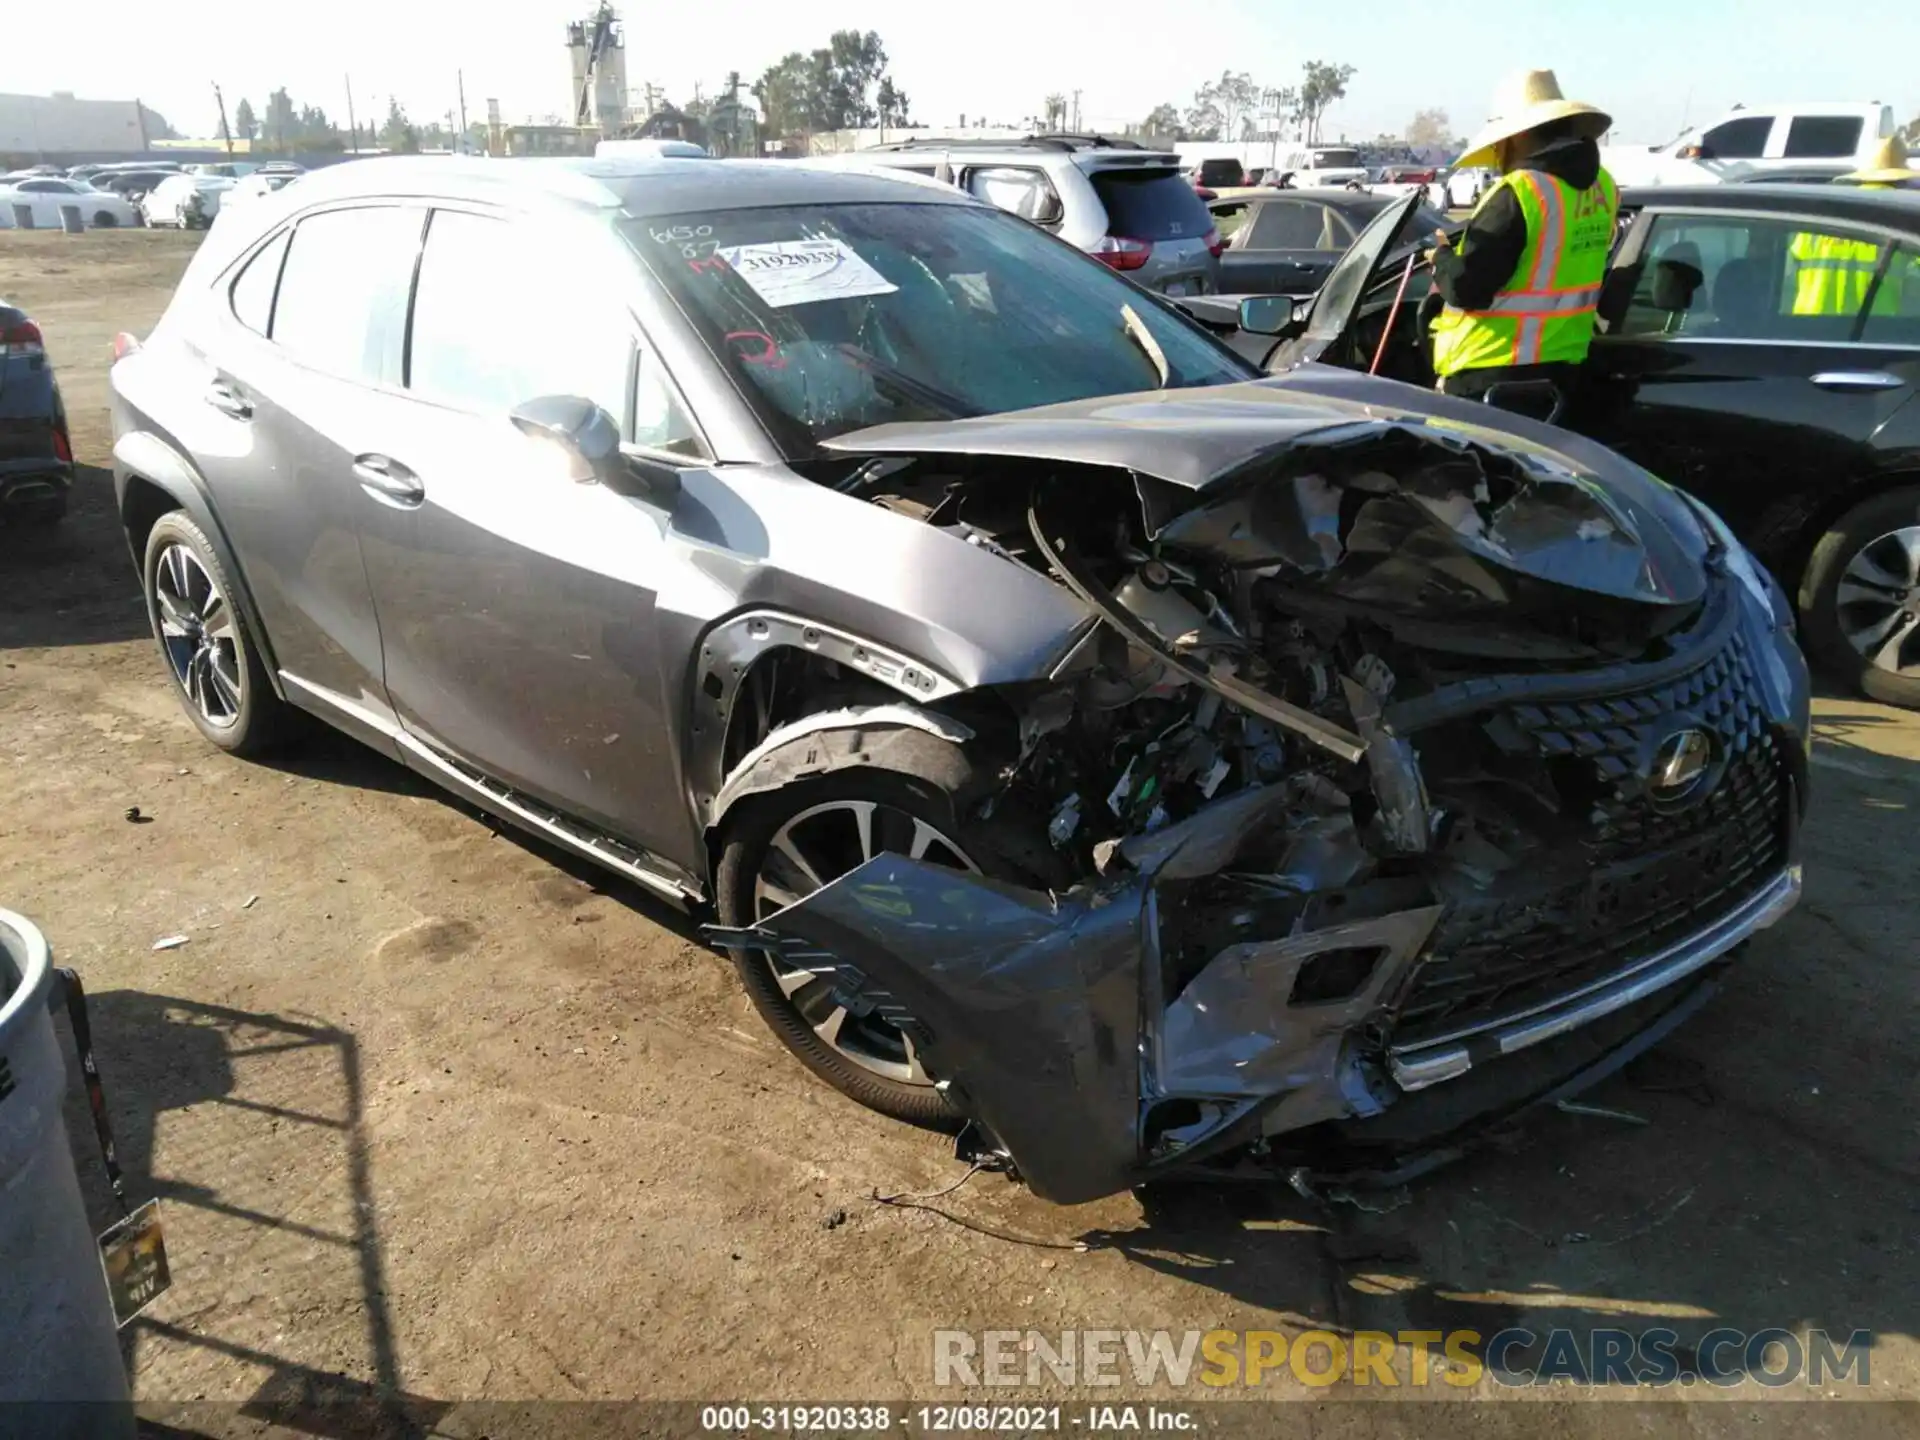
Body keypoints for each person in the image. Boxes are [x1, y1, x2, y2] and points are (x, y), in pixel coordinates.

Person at [1426, 70, 1618, 403]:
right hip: (1565, 369)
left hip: (1494, 372)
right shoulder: (1603, 186)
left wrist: (1440, 256)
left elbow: (1465, 287)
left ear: (1520, 135)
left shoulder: (1520, 192)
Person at [1788, 137, 1918, 318]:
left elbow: (1791, 276)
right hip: (1871, 333)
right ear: (1902, 178)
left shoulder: (1823, 216)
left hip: (1809, 333)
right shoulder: (1904, 218)